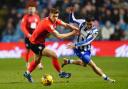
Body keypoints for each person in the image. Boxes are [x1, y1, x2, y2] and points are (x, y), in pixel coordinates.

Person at [23, 8, 79, 83]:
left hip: (38, 42)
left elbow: (65, 25)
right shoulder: (47, 24)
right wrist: (72, 33)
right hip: (35, 44)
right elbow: (59, 36)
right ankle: (61, 73)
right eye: (54, 16)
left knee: (37, 61)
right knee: (54, 55)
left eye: (57, 16)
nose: (55, 18)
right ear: (50, 15)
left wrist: (75, 28)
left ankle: (27, 73)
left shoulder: (55, 20)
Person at [62, 7, 115, 83]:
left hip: (87, 49)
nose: (89, 25)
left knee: (84, 64)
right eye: (88, 24)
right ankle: (107, 79)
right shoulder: (81, 22)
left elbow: (87, 41)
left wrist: (75, 44)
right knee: (92, 65)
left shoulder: (95, 31)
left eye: (90, 24)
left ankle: (68, 61)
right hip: (78, 49)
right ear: (85, 22)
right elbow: (72, 20)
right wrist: (71, 13)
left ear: (93, 22)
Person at [20, 1, 43, 69]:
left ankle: (39, 63)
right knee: (28, 50)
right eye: (30, 9)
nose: (31, 10)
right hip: (28, 37)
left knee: (37, 51)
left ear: (35, 9)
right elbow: (23, 27)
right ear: (28, 10)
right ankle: (27, 63)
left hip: (35, 37)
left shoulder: (37, 17)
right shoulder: (25, 17)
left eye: (32, 9)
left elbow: (39, 26)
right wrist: (28, 34)